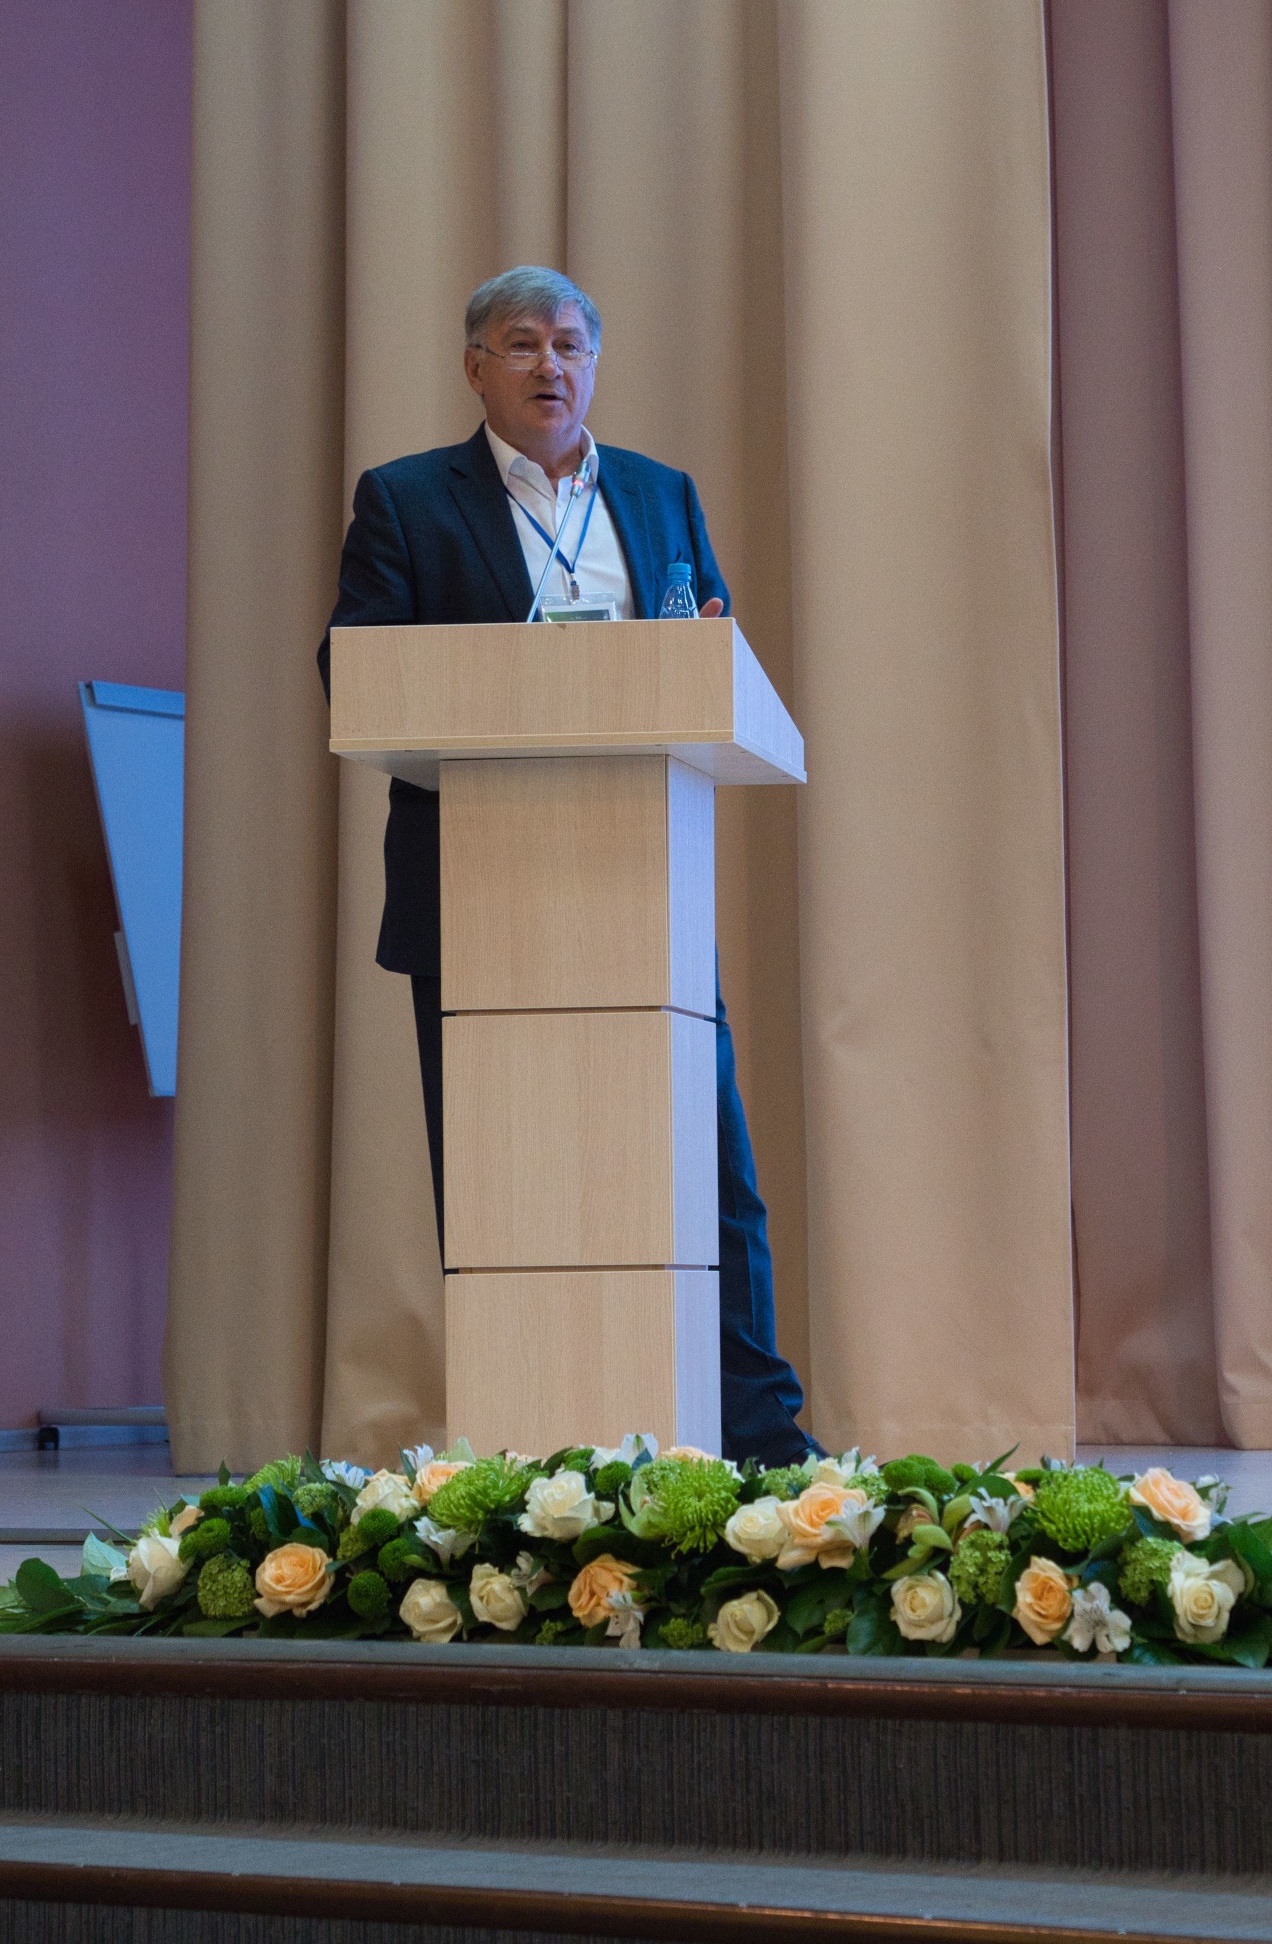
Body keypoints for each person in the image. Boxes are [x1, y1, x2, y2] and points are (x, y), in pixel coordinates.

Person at [318, 265, 815, 1463]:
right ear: (475, 367)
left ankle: (759, 1441)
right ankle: (523, 1440)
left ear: (595, 363)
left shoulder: (658, 493)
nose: (552, 365)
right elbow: (356, 669)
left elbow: (712, 651)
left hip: (640, 895)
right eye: (524, 343)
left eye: (571, 344)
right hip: (475, 891)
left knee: (711, 1181)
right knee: (503, 1185)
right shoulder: (405, 500)